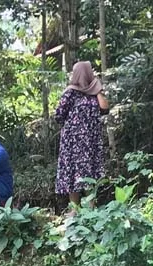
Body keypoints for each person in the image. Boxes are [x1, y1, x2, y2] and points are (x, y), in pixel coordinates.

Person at [55, 61, 109, 211]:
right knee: (73, 174)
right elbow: (59, 115)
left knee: (90, 173)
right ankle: (75, 210)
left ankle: (91, 207)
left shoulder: (94, 93)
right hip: (73, 142)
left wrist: (97, 88)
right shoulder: (70, 92)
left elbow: (105, 109)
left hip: (90, 142)